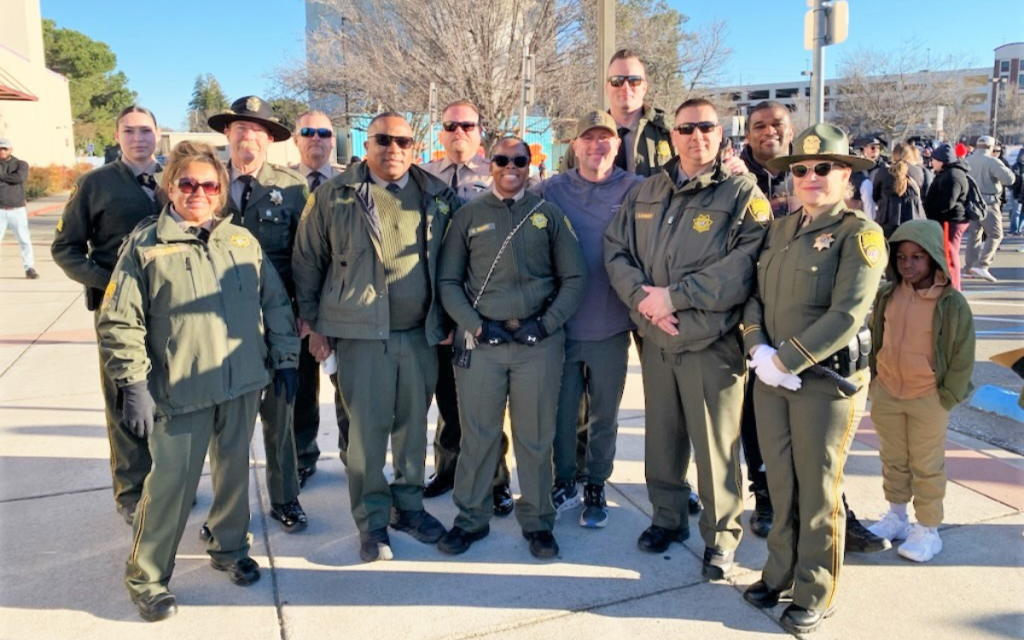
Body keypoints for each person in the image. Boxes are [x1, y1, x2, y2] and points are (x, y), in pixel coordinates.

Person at [97, 140, 299, 622]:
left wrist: (286, 360)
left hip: (242, 384)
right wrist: (133, 385)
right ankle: (146, 577)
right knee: (169, 485)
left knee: (233, 477)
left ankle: (229, 548)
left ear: (221, 190)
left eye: (209, 185)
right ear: (171, 187)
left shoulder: (241, 242)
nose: (198, 192)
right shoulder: (146, 246)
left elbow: (274, 302)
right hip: (180, 389)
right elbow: (120, 320)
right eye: (187, 183)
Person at [605, 98, 769, 579]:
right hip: (656, 338)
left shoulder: (741, 192)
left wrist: (675, 297)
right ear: (672, 136)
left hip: (710, 343)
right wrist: (642, 299)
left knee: (716, 447)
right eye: (686, 129)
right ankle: (667, 518)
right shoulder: (646, 191)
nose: (697, 136)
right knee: (663, 440)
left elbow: (744, 266)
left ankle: (721, 538)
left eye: (706, 128)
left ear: (721, 134)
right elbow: (616, 249)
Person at [292, 112, 459, 562]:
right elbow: (307, 261)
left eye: (403, 140)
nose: (394, 149)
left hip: (420, 334)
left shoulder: (436, 194)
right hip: (360, 334)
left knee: (411, 431)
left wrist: (451, 320)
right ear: (367, 145)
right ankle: (372, 522)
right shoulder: (334, 195)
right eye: (383, 140)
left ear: (415, 145)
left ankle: (408, 506)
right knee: (365, 435)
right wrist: (314, 325)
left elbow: (456, 260)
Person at [740, 123, 886, 634]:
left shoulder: (860, 234)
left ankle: (816, 590)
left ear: (845, 174)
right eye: (800, 169)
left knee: (819, 492)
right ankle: (778, 573)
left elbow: (847, 314)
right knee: (780, 483)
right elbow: (753, 295)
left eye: (823, 168)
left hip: (824, 385)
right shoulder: (778, 229)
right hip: (770, 378)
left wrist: (787, 360)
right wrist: (757, 346)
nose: (810, 177)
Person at [436, 136, 586, 558]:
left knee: (535, 437)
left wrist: (547, 323)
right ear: (490, 164)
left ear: (530, 163)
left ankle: (538, 522)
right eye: (501, 160)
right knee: (479, 435)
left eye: (518, 160)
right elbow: (448, 282)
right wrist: (476, 325)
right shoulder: (468, 216)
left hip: (537, 344)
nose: (510, 167)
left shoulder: (548, 215)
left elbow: (574, 277)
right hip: (482, 343)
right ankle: (470, 518)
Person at [51, 107, 163, 523]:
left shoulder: (175, 179)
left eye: (146, 130)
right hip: (119, 314)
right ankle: (133, 493)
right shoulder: (95, 184)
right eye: (130, 131)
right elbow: (65, 248)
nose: (139, 138)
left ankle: (167, 484)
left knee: (168, 400)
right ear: (117, 135)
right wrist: (108, 281)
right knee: (126, 402)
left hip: (169, 313)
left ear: (157, 135)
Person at [533, 111, 644, 528]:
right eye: (589, 139)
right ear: (574, 146)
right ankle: (564, 478)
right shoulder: (551, 190)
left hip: (612, 324)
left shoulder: (637, 190)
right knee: (562, 412)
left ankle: (596, 480)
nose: (597, 146)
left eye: (605, 139)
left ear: (618, 146)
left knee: (604, 414)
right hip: (561, 325)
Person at [208, 95, 310, 533]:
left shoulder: (292, 188)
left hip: (276, 320)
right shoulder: (204, 182)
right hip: (216, 319)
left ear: (269, 139)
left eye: (257, 130)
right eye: (240, 128)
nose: (248, 136)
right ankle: (226, 511)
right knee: (224, 423)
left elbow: (306, 255)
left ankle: (285, 498)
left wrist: (306, 312)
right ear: (227, 134)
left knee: (280, 415)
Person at [420, 100, 513, 516]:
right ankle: (448, 468)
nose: (459, 132)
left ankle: (496, 481)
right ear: (441, 133)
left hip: (483, 305)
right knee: (447, 398)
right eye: (451, 126)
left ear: (480, 132)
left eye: (467, 125)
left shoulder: (497, 174)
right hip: (439, 306)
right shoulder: (424, 177)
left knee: (487, 402)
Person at [865, 219, 975, 563]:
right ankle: (897, 517)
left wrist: (947, 396)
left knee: (926, 465)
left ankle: (928, 529)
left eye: (917, 257)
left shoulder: (951, 303)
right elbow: (876, 338)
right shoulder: (888, 295)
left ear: (934, 259)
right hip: (887, 392)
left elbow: (962, 354)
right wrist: (875, 381)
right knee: (894, 459)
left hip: (928, 396)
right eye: (901, 257)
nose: (907, 265)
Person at [289, 109, 346, 486]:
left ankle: (352, 456)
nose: (316, 139)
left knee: (348, 391)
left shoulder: (349, 184)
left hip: (343, 307)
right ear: (295, 138)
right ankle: (302, 457)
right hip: (293, 310)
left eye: (324, 132)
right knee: (300, 391)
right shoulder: (279, 185)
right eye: (307, 131)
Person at [561, 49, 673, 176]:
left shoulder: (670, 132)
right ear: (607, 88)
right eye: (617, 81)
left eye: (634, 80)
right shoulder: (584, 138)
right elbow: (562, 187)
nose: (625, 87)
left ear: (644, 87)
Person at [963, 135, 1014, 282]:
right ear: (991, 147)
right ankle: (983, 264)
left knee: (974, 235)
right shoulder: (992, 161)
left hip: (971, 202)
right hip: (988, 202)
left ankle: (970, 267)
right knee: (996, 234)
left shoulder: (967, 160)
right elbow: (1009, 179)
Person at [923, 144, 970, 291]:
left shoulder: (953, 176)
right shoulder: (949, 173)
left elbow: (947, 203)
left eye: (934, 159)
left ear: (942, 160)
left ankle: (953, 288)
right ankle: (949, 285)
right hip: (949, 219)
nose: (932, 162)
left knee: (950, 254)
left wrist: (932, 212)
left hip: (950, 220)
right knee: (948, 253)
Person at [739, 101, 796, 218]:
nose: (769, 132)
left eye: (777, 124)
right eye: (759, 127)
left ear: (791, 133)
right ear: (748, 137)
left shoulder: (811, 172)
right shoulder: (735, 177)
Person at [0, 137, 38, 279]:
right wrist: (9, 178)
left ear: (10, 149)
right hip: (0, 210)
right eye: (0, 148)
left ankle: (29, 268)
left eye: (5, 148)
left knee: (24, 239)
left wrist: (3, 178)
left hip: (17, 209)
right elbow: (13, 179)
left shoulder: (20, 164)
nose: (2, 151)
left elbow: (20, 178)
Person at [873, 142, 926, 238]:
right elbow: (923, 193)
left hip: (887, 217)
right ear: (909, 155)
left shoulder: (883, 172)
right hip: (912, 217)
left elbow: (875, 195)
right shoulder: (918, 171)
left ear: (893, 155)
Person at [849, 135, 886, 218]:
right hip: (860, 208)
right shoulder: (858, 167)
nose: (875, 151)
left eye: (878, 148)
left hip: (879, 208)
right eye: (872, 148)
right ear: (864, 149)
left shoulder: (884, 167)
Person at [1009, 149, 1024, 236]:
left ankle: (1019, 229)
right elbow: (1012, 180)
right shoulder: (1016, 166)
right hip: (1017, 192)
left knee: (1022, 212)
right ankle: (1014, 229)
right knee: (1016, 211)